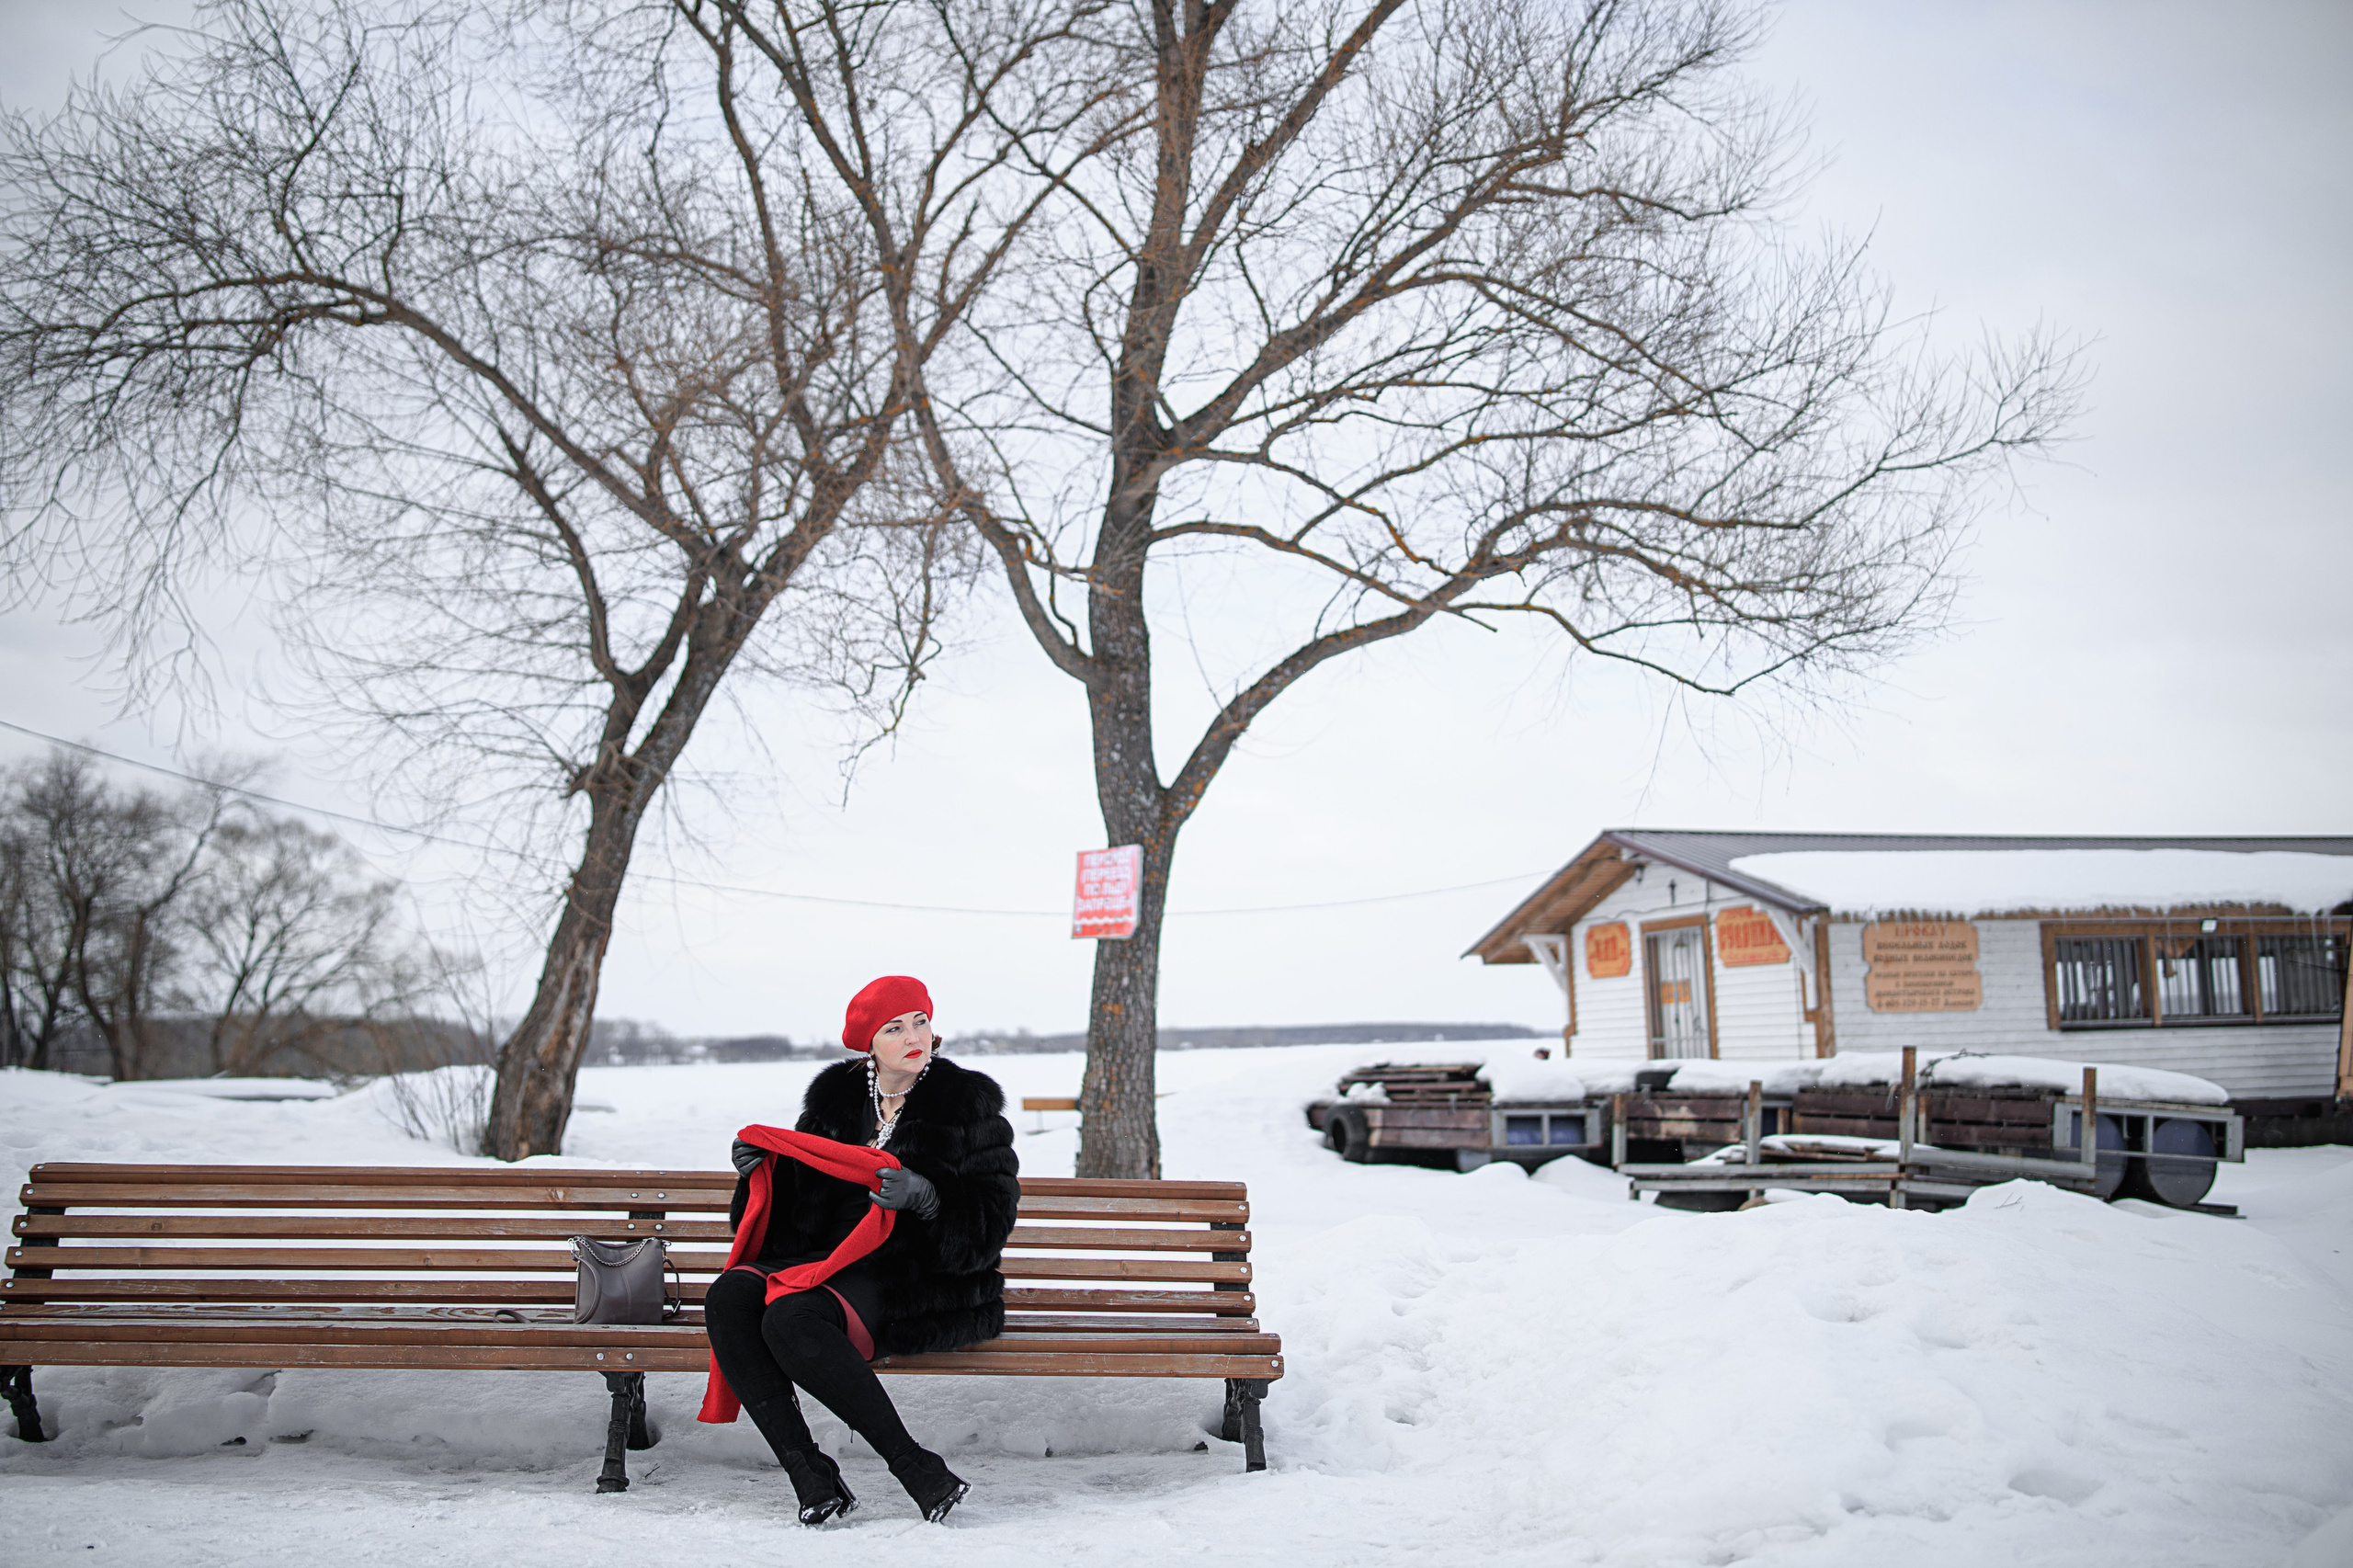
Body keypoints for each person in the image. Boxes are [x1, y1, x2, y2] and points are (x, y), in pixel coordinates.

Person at [700, 975, 1019, 1525]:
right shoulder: (834, 1104)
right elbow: (788, 1221)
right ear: (868, 1042)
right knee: (730, 1295)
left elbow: (989, 1228)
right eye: (894, 1028)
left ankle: (914, 1465)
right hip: (827, 1261)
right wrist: (756, 1178)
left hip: (914, 1279)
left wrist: (928, 1199)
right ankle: (808, 1471)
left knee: (789, 1317)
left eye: (920, 1021)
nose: (913, 1037)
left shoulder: (967, 1107)